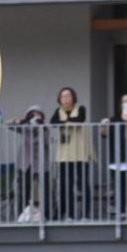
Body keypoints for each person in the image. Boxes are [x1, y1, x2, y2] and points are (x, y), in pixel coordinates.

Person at [51, 87, 92, 220]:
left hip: (80, 153)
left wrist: (67, 122)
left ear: (73, 97)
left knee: (83, 184)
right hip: (64, 156)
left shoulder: (80, 108)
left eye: (68, 96)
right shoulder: (58, 111)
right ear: (59, 99)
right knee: (65, 186)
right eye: (63, 96)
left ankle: (86, 214)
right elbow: (53, 122)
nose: (66, 99)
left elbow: (80, 119)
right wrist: (67, 122)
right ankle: (69, 214)